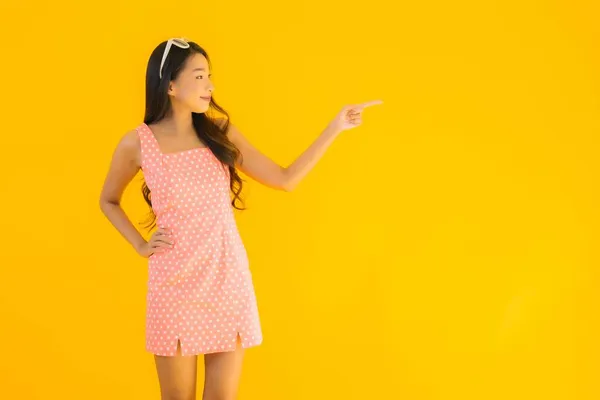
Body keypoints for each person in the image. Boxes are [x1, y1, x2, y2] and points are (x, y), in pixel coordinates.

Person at [99, 37, 382, 400]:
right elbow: (108, 199)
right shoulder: (137, 142)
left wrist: (334, 128)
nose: (210, 86)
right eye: (199, 76)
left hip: (226, 279)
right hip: (174, 285)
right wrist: (140, 245)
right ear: (170, 85)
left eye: (210, 76)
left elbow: (285, 179)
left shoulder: (219, 132)